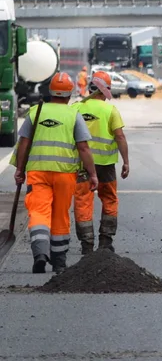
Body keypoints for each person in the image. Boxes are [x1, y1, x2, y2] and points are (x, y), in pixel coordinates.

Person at [12, 72, 96, 274]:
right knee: (60, 215)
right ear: (69, 94)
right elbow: (83, 148)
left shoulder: (35, 112)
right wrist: (93, 174)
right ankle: (59, 262)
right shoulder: (72, 114)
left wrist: (19, 169)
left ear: (50, 92)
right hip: (65, 174)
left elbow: (24, 143)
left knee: (39, 212)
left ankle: (40, 254)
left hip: (37, 172)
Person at [72, 71, 130, 254]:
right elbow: (119, 136)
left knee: (82, 201)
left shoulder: (76, 109)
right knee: (109, 199)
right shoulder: (110, 110)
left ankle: (86, 244)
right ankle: (105, 241)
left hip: (82, 165)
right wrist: (126, 161)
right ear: (104, 91)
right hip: (105, 165)